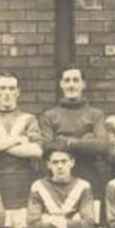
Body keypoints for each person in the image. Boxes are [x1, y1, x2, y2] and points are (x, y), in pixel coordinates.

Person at [0, 72, 42, 228]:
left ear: (18, 92)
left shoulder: (29, 119)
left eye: (11, 88)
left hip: (23, 187)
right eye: (3, 88)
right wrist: (19, 140)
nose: (7, 93)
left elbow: (36, 150)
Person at [39, 65, 108, 198]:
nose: (71, 85)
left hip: (89, 176)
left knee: (90, 217)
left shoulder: (95, 114)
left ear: (83, 84)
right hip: (58, 180)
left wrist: (69, 142)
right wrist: (86, 141)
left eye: (76, 80)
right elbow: (46, 148)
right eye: (67, 80)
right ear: (61, 84)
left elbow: (102, 145)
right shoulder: (50, 116)